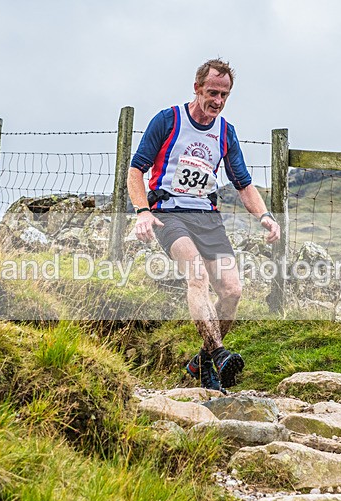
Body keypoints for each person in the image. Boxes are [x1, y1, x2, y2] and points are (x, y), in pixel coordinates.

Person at [127, 58, 280, 392]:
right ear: (197, 88)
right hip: (169, 212)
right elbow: (135, 169)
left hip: (207, 218)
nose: (218, 101)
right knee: (196, 276)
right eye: (212, 92)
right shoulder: (168, 120)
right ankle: (221, 354)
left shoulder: (225, 132)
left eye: (225, 95)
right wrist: (142, 211)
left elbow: (243, 183)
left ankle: (202, 361)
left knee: (232, 291)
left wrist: (265, 216)